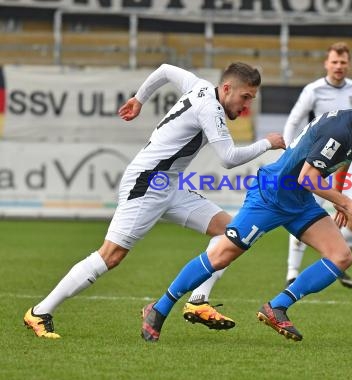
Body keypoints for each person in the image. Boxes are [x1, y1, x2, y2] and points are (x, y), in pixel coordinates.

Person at [23, 62, 285, 339]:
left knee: (232, 233)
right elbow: (228, 158)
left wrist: (139, 99)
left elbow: (164, 70)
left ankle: (198, 301)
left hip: (169, 184)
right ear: (227, 88)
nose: (246, 106)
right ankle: (40, 312)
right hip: (147, 183)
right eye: (245, 97)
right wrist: (267, 142)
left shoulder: (199, 86)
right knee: (110, 256)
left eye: (251, 99)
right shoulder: (210, 108)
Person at [140, 78, 352, 342]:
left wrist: (340, 201)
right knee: (221, 256)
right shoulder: (339, 129)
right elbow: (308, 177)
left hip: (300, 201)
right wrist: (347, 202)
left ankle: (276, 307)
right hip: (271, 195)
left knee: (341, 257)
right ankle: (159, 309)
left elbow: (345, 160)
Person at [283, 42, 352, 289]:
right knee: (304, 214)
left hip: (345, 161)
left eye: (343, 62)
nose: (338, 66)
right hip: (316, 161)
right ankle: (292, 271)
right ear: (326, 64)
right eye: (334, 62)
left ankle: (336, 261)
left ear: (348, 64)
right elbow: (293, 120)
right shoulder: (313, 90)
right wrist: (289, 152)